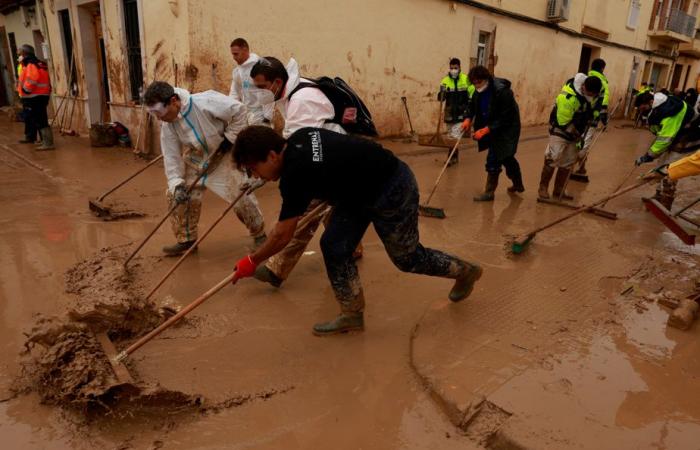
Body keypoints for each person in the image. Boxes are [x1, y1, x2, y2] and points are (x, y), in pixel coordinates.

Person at [231, 126, 483, 335]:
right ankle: (352, 313)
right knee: (334, 245)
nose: (257, 176)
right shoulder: (299, 137)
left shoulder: (295, 174)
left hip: (392, 186)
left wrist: (252, 261)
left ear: (273, 155)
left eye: (254, 168)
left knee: (407, 259)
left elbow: (283, 234)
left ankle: (465, 271)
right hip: (355, 195)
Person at [248, 56, 362, 288]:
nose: (259, 92)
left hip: (331, 158)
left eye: (261, 87)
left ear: (276, 81)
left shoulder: (301, 100)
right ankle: (352, 247)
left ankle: (276, 269)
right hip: (327, 153)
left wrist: (268, 170)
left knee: (301, 213)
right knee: (329, 204)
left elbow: (299, 148)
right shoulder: (287, 92)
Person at [143, 81, 266, 256]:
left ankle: (260, 235)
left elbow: (239, 111)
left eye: (159, 112)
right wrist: (176, 183)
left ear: (173, 101)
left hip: (223, 155)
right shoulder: (167, 124)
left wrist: (230, 138)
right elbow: (171, 156)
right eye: (153, 113)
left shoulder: (205, 101)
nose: (158, 118)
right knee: (177, 196)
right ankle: (186, 240)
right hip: (196, 159)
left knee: (241, 195)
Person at [460, 65, 523, 201]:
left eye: (479, 82)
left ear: (486, 79)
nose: (477, 85)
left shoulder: (502, 92)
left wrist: (485, 130)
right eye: (474, 83)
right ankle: (491, 191)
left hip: (508, 128)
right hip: (492, 127)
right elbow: (472, 106)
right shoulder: (478, 92)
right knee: (494, 158)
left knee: (505, 156)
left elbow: (506, 117)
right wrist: (467, 118)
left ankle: (515, 183)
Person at [538, 73, 601, 201]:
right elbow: (563, 122)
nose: (591, 97)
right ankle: (543, 188)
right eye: (590, 94)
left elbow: (591, 109)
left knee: (568, 161)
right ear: (583, 87)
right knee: (553, 157)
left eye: (593, 95)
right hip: (560, 129)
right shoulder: (567, 97)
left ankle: (559, 190)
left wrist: (594, 116)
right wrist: (578, 136)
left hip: (577, 131)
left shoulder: (591, 94)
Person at [634, 92, 696, 209]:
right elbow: (660, 134)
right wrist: (650, 154)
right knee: (661, 164)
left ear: (651, 102)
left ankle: (665, 203)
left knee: (670, 168)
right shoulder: (658, 106)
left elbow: (664, 139)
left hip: (690, 137)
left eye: (643, 108)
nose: (642, 111)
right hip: (677, 135)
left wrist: (648, 156)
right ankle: (658, 196)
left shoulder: (669, 111)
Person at [573, 58, 609, 179]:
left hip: (581, 117)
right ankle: (577, 167)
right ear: (603, 68)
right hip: (591, 118)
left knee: (580, 143)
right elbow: (604, 100)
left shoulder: (586, 78)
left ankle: (580, 167)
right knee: (583, 143)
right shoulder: (603, 83)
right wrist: (603, 116)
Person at [229, 38, 273, 126]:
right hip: (245, 114)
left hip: (261, 116)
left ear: (245, 50)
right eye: (233, 54)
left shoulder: (260, 66)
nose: (234, 57)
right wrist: (230, 111)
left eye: (236, 54)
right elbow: (234, 93)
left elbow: (269, 92)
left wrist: (267, 117)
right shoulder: (237, 71)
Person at [17, 45, 54, 150]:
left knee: (40, 119)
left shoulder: (31, 64)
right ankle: (45, 141)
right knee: (41, 118)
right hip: (41, 96)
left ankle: (48, 143)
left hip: (34, 96)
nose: (19, 56)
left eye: (20, 54)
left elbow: (33, 78)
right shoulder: (39, 63)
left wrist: (25, 90)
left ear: (24, 53)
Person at [439, 58, 474, 165]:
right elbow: (441, 98)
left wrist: (469, 109)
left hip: (461, 113)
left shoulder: (466, 79)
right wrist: (441, 94)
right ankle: (455, 156)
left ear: (459, 68)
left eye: (455, 68)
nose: (453, 70)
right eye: (451, 68)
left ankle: (450, 158)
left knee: (455, 135)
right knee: (451, 136)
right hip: (449, 113)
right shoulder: (445, 81)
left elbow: (472, 94)